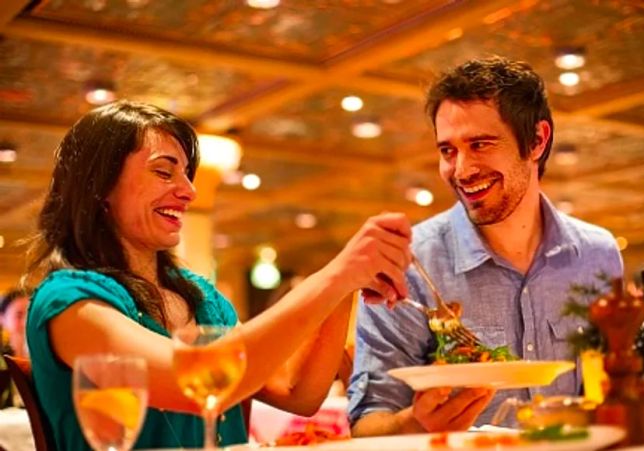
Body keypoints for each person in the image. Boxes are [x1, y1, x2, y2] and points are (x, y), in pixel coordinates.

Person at [23, 100, 412, 450]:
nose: (189, 190)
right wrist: (335, 274)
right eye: (164, 172)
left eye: (188, 174)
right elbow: (195, 385)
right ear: (99, 185)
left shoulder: (201, 299)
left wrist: (344, 287)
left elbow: (299, 393)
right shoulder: (70, 302)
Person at [348, 56, 623, 436]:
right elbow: (365, 425)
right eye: (448, 151)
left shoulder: (598, 255)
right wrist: (415, 422)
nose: (461, 170)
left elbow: (612, 385)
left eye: (480, 144)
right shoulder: (409, 263)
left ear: (537, 141)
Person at [1, 287, 31, 407]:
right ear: (2, 318)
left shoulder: (43, 358)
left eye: (31, 314)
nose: (26, 322)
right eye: (19, 315)